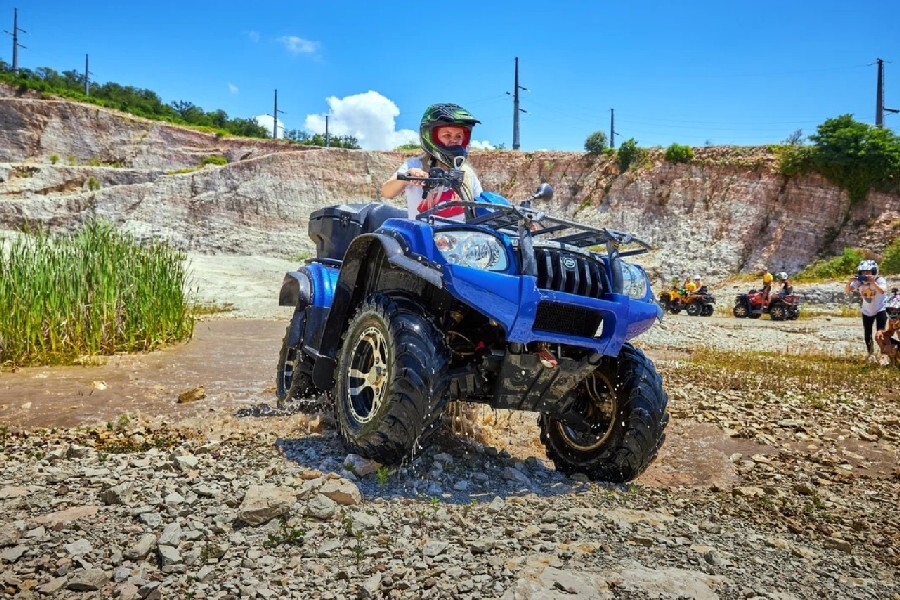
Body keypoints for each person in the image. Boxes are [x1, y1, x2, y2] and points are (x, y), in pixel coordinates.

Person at [381, 103, 482, 220]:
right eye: (447, 135)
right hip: (422, 235)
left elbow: (480, 205)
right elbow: (386, 192)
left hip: (461, 236)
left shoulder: (467, 173)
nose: (453, 140)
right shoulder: (416, 164)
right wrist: (408, 176)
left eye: (458, 136)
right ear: (431, 136)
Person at [845, 259, 888, 362]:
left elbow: (882, 291)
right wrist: (850, 281)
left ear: (874, 271)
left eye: (868, 272)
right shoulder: (859, 282)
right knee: (867, 333)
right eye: (863, 272)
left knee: (880, 333)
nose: (865, 274)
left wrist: (873, 282)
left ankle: (883, 354)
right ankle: (870, 354)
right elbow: (847, 290)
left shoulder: (880, 280)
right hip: (867, 310)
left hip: (880, 308)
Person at [875, 291, 900, 365]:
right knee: (880, 337)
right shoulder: (892, 320)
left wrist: (894, 347)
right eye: (891, 310)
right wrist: (881, 333)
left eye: (897, 310)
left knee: (892, 347)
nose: (894, 312)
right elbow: (890, 332)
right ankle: (893, 362)